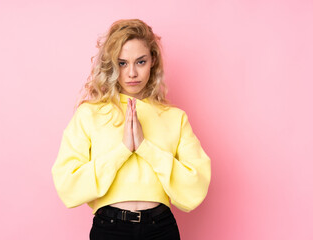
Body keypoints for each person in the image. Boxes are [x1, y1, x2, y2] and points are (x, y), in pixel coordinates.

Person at [51, 18, 211, 240]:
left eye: (141, 62)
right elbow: (67, 185)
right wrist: (123, 150)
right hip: (109, 228)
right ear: (111, 65)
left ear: (152, 60)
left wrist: (145, 148)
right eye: (123, 63)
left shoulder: (174, 118)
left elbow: (196, 186)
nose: (132, 73)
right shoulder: (90, 115)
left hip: (161, 228)